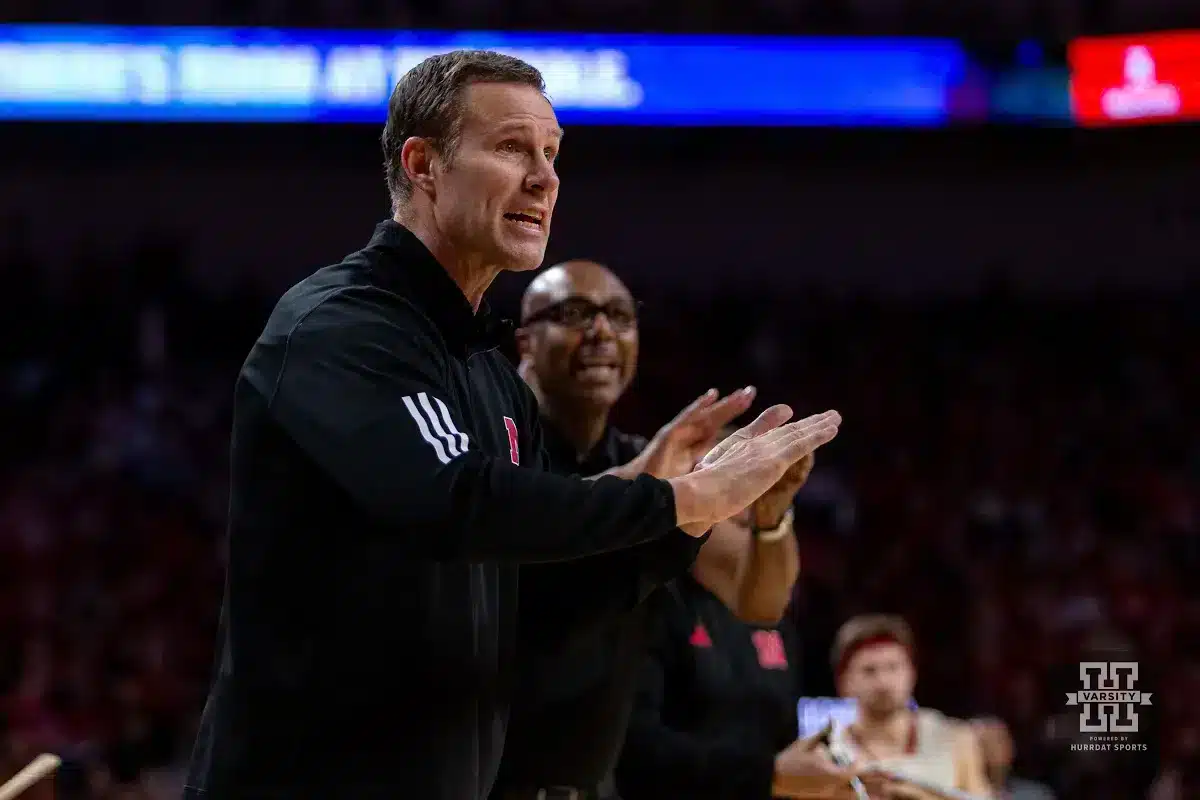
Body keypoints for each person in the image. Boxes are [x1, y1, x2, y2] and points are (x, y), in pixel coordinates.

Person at [183, 50, 843, 800]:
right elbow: (453, 503)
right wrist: (680, 501)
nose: (545, 177)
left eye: (552, 154)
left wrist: (686, 515)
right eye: (511, 148)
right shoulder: (341, 327)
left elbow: (534, 601)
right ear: (423, 165)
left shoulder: (492, 373)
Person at [491, 262, 812, 800]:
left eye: (619, 316)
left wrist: (770, 515)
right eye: (574, 313)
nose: (601, 331)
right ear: (525, 341)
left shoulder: (650, 460)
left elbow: (760, 600)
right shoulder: (494, 451)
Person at [826, 615, 992, 799]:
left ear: (912, 673)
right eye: (869, 671)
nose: (883, 682)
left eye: (893, 667)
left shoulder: (955, 739)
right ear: (844, 682)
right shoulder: (829, 755)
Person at [970, 718, 1055, 800]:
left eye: (999, 741)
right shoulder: (960, 795)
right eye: (983, 742)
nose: (991, 749)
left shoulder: (1037, 796)